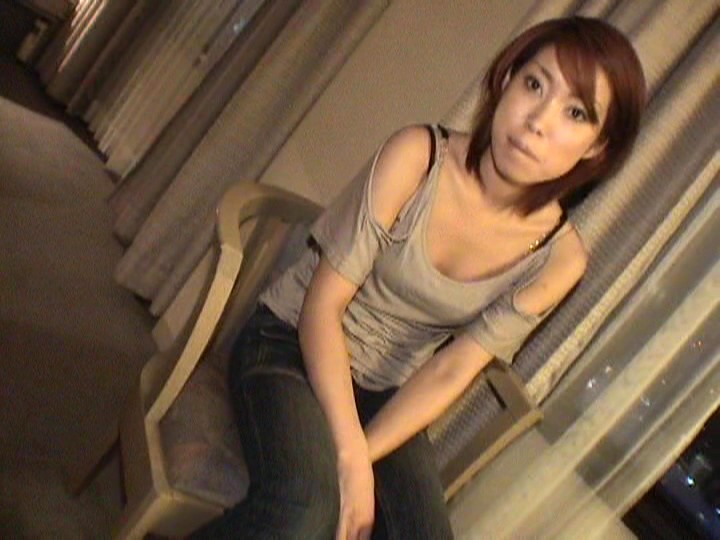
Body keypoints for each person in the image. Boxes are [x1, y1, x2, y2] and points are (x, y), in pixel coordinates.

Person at [191, 15, 647, 540]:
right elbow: (322, 304)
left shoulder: (558, 260)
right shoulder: (418, 155)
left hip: (386, 392)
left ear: (597, 146)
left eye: (575, 112)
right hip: (289, 342)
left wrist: (359, 458)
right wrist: (348, 456)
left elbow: (451, 371)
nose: (537, 121)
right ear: (506, 80)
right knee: (307, 508)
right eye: (534, 84)